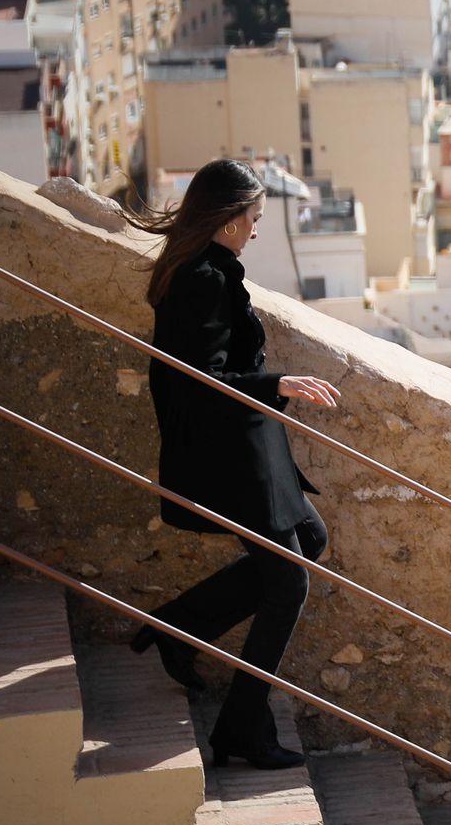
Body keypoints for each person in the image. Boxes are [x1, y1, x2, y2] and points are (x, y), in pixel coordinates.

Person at [126, 158, 342, 770]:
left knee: (310, 538)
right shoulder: (203, 280)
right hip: (230, 454)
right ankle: (241, 728)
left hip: (251, 444)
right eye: (253, 218)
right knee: (289, 581)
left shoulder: (208, 270)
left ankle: (176, 628)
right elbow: (205, 381)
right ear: (226, 220)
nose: (257, 229)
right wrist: (281, 385)